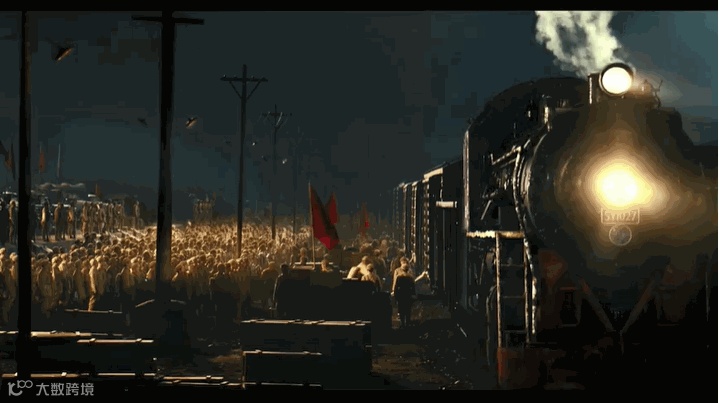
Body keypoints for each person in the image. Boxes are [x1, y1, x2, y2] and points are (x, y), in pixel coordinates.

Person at [391, 258, 415, 328]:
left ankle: (402, 323)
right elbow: (413, 287)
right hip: (408, 295)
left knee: (401, 308)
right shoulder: (410, 277)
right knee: (408, 309)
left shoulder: (399, 277)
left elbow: (396, 286)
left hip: (401, 295)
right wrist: (413, 294)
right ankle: (407, 322)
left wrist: (395, 293)